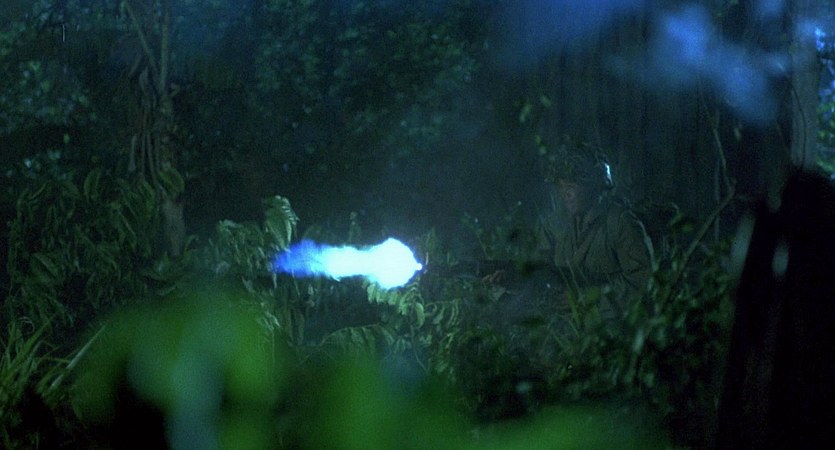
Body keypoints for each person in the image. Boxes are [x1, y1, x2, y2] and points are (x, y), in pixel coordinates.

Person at [539, 148, 653, 319]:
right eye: (561, 187)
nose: (565, 194)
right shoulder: (556, 225)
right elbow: (541, 272)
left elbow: (641, 284)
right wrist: (510, 279)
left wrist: (586, 298)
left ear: (593, 185)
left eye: (571, 186)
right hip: (567, 325)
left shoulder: (620, 223)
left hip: (612, 328)